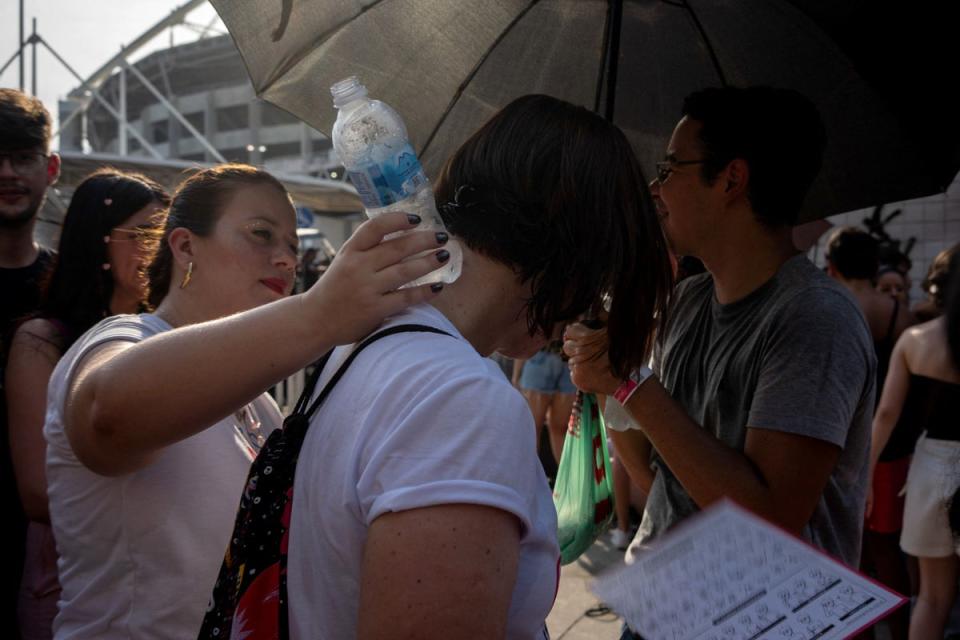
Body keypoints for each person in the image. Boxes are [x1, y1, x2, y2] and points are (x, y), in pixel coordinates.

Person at [278, 95, 672, 639]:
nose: (584, 309)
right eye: (598, 276)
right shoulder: (462, 400)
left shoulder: (369, 341)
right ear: (572, 254)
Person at [43, 163, 449, 638]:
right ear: (185, 245)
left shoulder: (257, 401)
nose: (286, 260)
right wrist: (322, 314)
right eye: (261, 234)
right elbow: (104, 416)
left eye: (293, 246)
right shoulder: (123, 337)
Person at [564, 88, 876, 639]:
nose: (656, 188)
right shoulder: (687, 301)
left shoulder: (813, 319)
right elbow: (662, 475)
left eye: (670, 167)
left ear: (732, 179)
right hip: (662, 605)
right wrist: (609, 375)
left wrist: (632, 385)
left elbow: (770, 519)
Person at [6, 169, 168, 639]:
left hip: (157, 581)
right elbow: (38, 491)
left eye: (165, 233)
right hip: (72, 581)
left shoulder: (164, 335)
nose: (157, 248)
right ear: (97, 242)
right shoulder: (42, 341)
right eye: (142, 233)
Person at [824, 226, 913, 639]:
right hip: (895, 446)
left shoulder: (831, 310)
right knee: (888, 549)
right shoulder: (897, 313)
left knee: (846, 551)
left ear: (834, 266)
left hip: (842, 444)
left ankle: (854, 630)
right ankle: (898, 629)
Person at [870, 245, 960, 640]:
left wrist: (865, 474)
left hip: (931, 467)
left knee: (932, 598)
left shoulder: (915, 339)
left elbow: (886, 413)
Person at [0, 88, 61, 635]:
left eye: (22, 157)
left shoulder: (70, 288)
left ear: (51, 168)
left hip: (51, 544)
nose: (8, 172)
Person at [511, 333, 577, 463]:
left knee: (546, 428)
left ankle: (562, 480)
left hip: (563, 360)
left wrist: (516, 376)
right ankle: (532, 479)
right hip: (554, 358)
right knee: (536, 428)